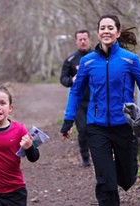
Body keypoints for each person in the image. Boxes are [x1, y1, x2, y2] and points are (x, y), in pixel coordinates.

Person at [60, 14, 140, 206]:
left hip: (125, 126)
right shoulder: (88, 62)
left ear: (118, 32)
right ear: (98, 33)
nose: (106, 31)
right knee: (105, 182)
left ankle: (122, 176)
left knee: (127, 178)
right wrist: (68, 120)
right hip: (97, 127)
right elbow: (76, 92)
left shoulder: (130, 60)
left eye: (110, 28)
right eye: (102, 28)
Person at [59, 29, 93, 168]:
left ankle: (99, 154)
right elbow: (63, 79)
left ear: (89, 40)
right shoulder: (71, 60)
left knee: (97, 129)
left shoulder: (97, 56)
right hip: (79, 102)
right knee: (83, 130)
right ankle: (85, 157)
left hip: (96, 101)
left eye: (85, 39)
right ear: (76, 41)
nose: (83, 41)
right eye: (80, 39)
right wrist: (71, 80)